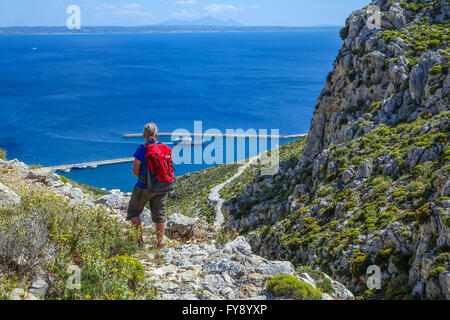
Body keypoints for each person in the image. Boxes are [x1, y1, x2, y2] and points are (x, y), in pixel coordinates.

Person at [127, 122, 170, 247]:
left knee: (133, 212)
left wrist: (146, 180)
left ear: (143, 135)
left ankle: (139, 242)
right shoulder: (165, 148)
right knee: (160, 217)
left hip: (144, 187)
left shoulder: (142, 149)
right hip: (163, 187)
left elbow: (135, 170)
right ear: (157, 135)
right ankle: (159, 243)